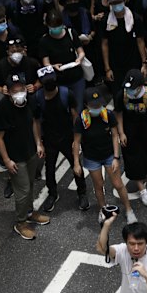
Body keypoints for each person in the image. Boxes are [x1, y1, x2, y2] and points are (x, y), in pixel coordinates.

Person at [0, 74, 50, 240]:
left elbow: (34, 122)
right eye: (14, 90)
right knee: (22, 190)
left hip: (30, 151)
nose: (19, 93)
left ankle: (30, 212)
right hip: (15, 157)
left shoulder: (30, 101)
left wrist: (38, 143)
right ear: (8, 92)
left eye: (21, 89)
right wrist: (6, 160)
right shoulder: (2, 109)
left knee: (30, 184)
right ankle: (20, 222)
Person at [73, 87, 138, 224]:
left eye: (99, 104)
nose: (97, 107)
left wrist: (116, 157)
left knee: (118, 184)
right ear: (86, 105)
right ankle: (103, 210)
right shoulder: (81, 120)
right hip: (91, 158)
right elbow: (77, 142)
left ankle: (129, 210)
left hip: (109, 155)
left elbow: (115, 136)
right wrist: (76, 163)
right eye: (94, 105)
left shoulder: (108, 115)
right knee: (99, 186)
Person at [34, 65, 89, 212]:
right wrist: (39, 143)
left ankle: (82, 192)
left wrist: (76, 140)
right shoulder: (38, 98)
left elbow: (75, 117)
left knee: (76, 165)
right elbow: (37, 122)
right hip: (50, 140)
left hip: (67, 137)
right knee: (49, 169)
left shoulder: (66, 94)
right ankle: (52, 194)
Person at [114, 69, 147, 207]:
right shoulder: (121, 95)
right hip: (129, 131)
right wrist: (121, 132)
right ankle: (142, 190)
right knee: (133, 158)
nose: (131, 91)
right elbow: (119, 114)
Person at [40, 8, 86, 112]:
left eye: (58, 25)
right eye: (53, 26)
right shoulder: (44, 41)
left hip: (76, 77)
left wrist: (79, 59)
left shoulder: (70, 33)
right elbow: (46, 63)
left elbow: (81, 52)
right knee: (63, 109)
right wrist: (53, 66)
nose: (56, 28)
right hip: (59, 80)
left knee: (78, 108)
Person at [101, 0, 147, 98]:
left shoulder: (135, 18)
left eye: (118, 2)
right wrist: (107, 68)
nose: (117, 5)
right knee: (118, 94)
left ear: (124, 1)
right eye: (114, 3)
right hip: (115, 64)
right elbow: (104, 44)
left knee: (136, 93)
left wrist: (144, 63)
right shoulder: (105, 20)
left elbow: (140, 41)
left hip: (133, 61)